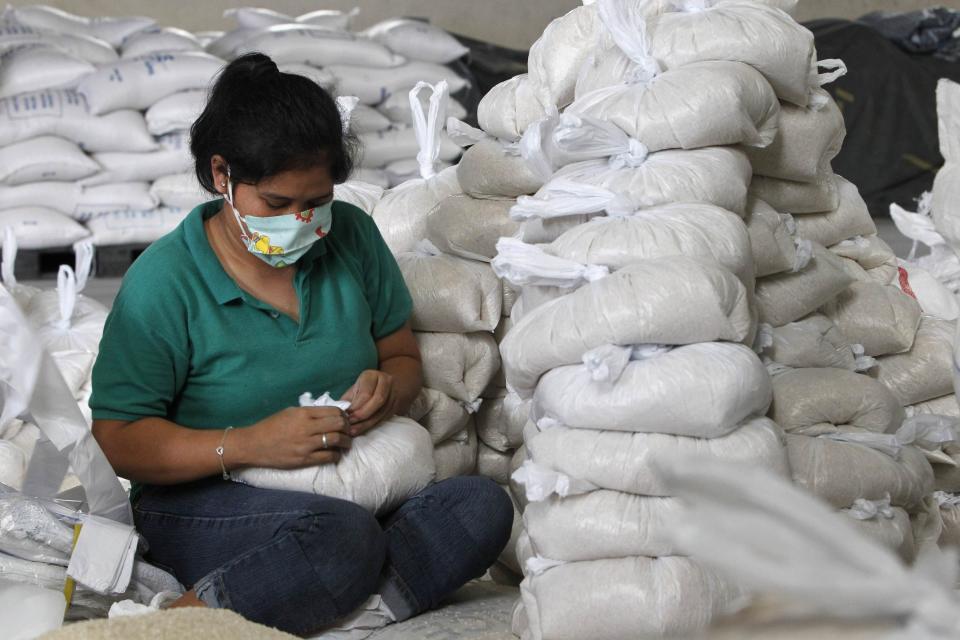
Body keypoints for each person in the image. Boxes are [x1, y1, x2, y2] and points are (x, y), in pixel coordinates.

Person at [89, 53, 513, 636]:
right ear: (222, 176)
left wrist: (386, 390)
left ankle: (332, 604)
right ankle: (180, 624)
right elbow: (118, 440)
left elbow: (400, 356)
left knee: (480, 505)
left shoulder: (353, 238)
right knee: (340, 535)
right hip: (199, 501)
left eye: (316, 202)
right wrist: (249, 444)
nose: (302, 221)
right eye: (277, 204)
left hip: (342, 483)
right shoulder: (166, 281)